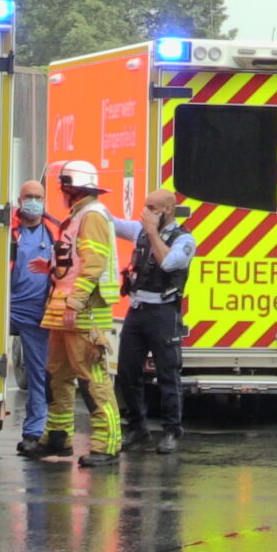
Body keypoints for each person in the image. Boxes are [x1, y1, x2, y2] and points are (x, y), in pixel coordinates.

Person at [22, 161, 122, 467]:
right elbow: (75, 262)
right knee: (57, 377)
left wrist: (76, 302)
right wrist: (51, 268)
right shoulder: (79, 216)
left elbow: (93, 263)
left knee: (92, 379)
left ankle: (107, 445)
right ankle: (57, 437)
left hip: (83, 313)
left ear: (71, 189)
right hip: (62, 309)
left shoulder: (91, 216)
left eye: (63, 189)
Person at [114, 189, 196, 455]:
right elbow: (112, 223)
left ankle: (171, 431)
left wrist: (151, 231)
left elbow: (169, 264)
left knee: (167, 375)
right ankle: (138, 428)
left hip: (163, 313)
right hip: (137, 311)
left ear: (168, 210)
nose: (145, 212)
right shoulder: (140, 231)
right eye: (145, 206)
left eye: (152, 208)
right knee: (127, 372)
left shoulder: (184, 239)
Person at [10, 180, 58, 453]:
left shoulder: (53, 231)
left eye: (38, 197)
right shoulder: (8, 229)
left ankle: (34, 432)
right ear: (19, 199)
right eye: (28, 196)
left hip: (36, 309)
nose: (33, 201)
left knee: (38, 372)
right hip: (2, 306)